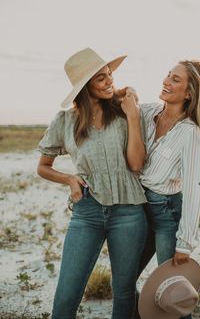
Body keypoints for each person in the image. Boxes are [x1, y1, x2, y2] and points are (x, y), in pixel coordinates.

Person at [37, 47, 148, 319]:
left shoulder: (125, 113)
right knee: (66, 296)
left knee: (123, 292)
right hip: (86, 211)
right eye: (101, 77)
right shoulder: (65, 121)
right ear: (85, 86)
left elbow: (136, 164)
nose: (110, 80)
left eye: (110, 74)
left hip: (129, 211)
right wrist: (69, 179)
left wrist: (133, 116)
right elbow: (43, 167)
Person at [123, 60, 200, 319]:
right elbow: (126, 101)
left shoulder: (190, 133)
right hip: (138, 209)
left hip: (167, 215)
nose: (166, 81)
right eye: (168, 75)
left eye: (176, 79)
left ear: (190, 92)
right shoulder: (148, 113)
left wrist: (185, 243)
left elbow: (193, 189)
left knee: (171, 288)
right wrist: (129, 92)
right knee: (124, 279)